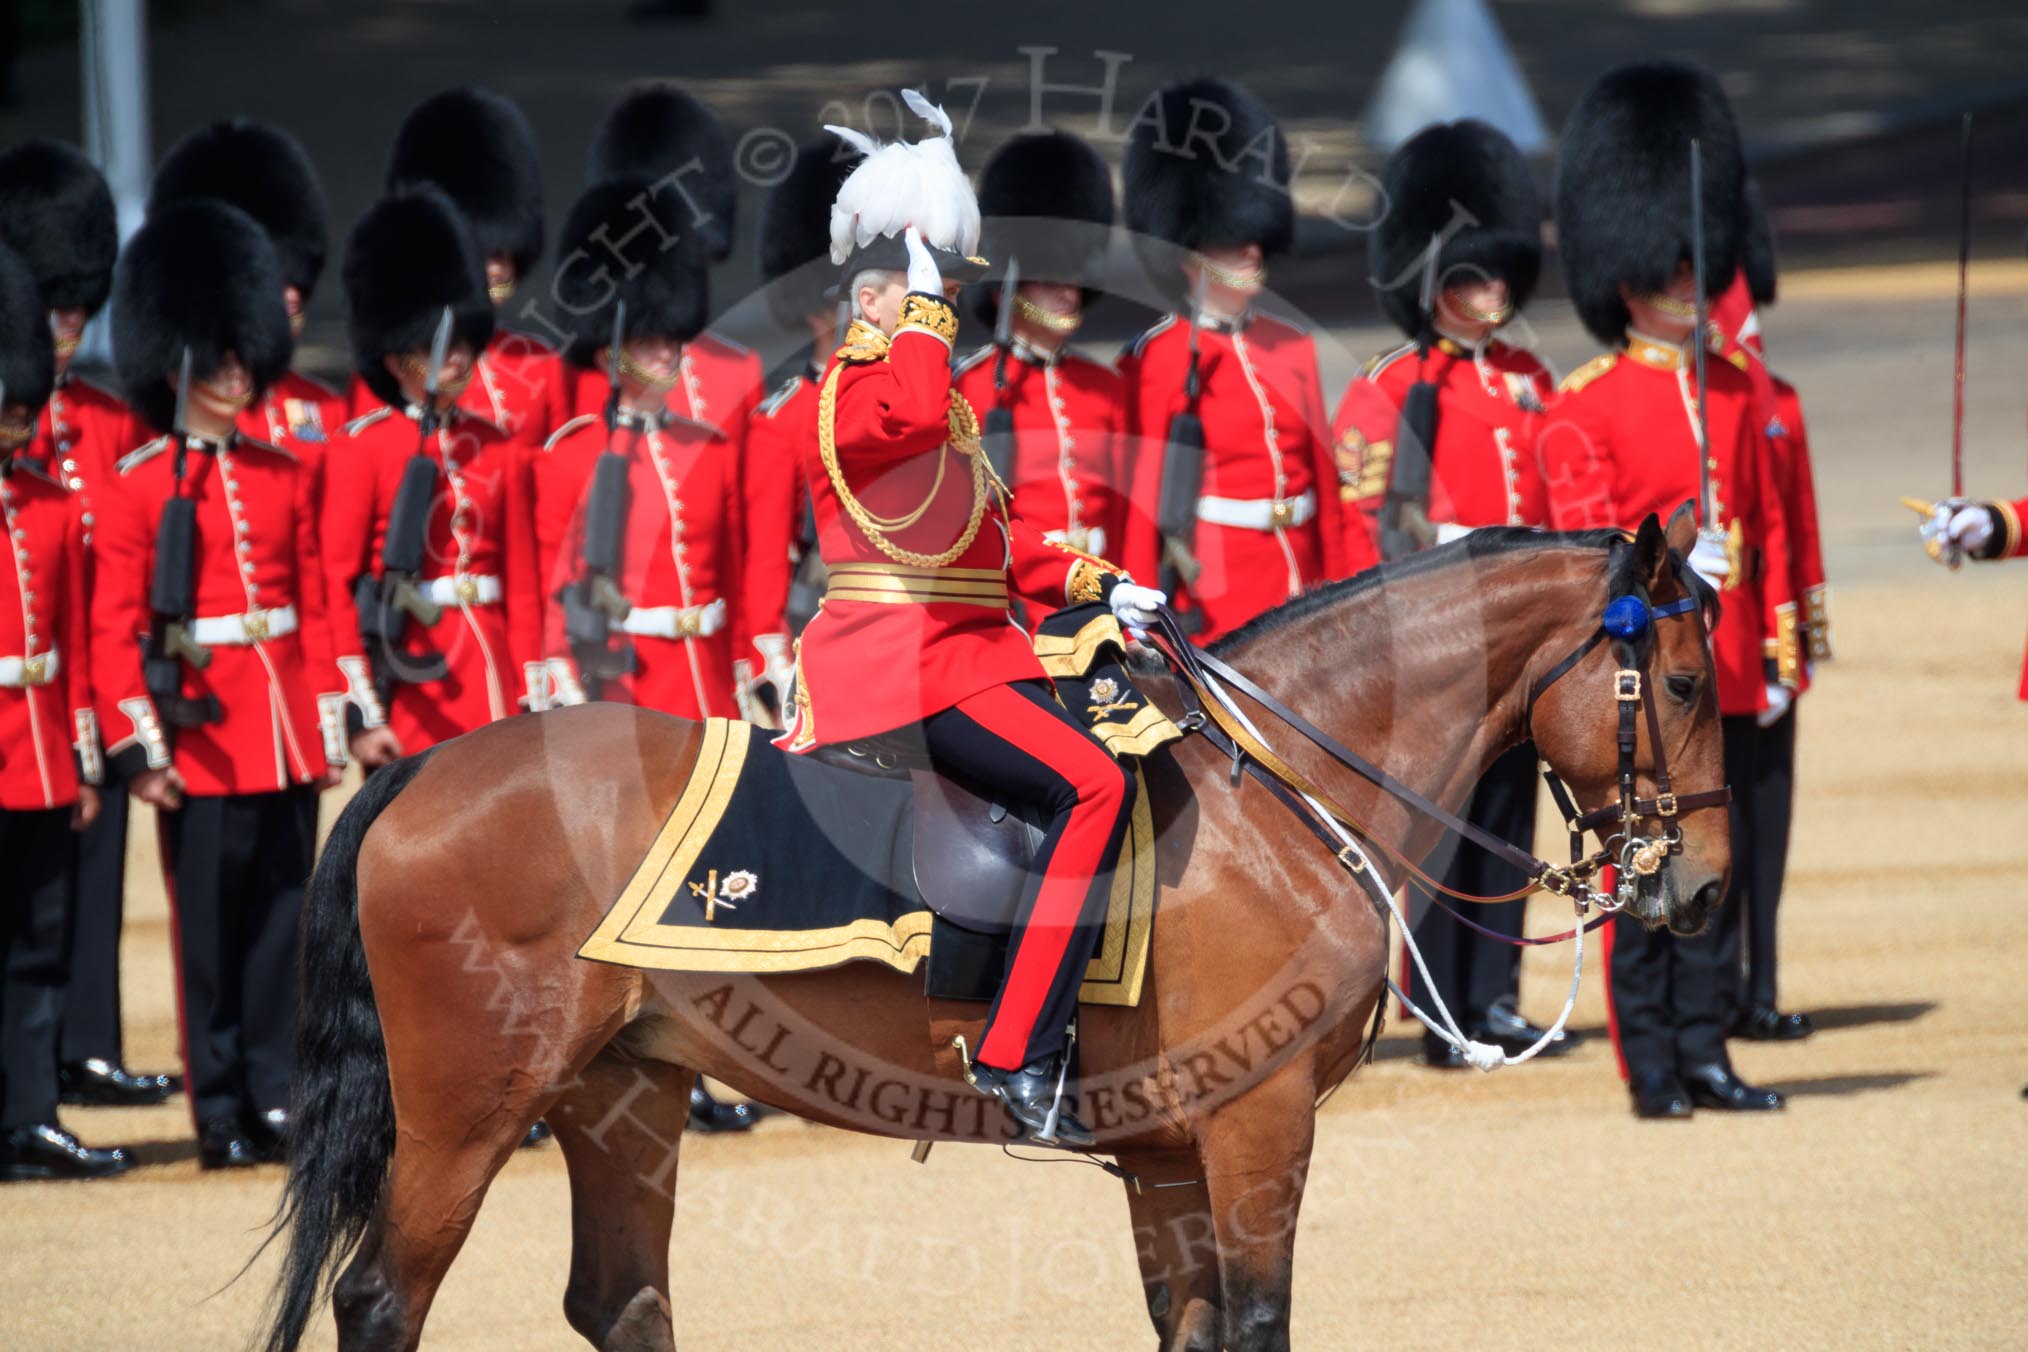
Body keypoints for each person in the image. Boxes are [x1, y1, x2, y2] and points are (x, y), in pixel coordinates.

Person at [778, 91, 1164, 1146]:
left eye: (936, 296)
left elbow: (997, 538)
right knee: (1091, 782)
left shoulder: (932, 405)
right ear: (870, 303)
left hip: (968, 653)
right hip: (900, 667)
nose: (933, 307)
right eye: (915, 294)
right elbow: (904, 408)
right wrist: (925, 314)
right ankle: (1017, 1051)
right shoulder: (849, 397)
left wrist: (1099, 582)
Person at [1538, 59, 1799, 1118]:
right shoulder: (1586, 403)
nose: (1690, 279)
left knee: (1714, 867)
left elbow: (1772, 525)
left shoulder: (1737, 389)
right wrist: (1677, 571)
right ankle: (1650, 1059)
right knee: (1642, 867)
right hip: (1645, 671)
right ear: (1625, 271)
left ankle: (1709, 1045)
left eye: (1698, 263)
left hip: (1730, 663)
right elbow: (1588, 554)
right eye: (1670, 264)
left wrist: (1777, 647)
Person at [96, 201, 345, 1168]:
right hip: (199, 736)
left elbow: (317, 603)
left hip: (277, 725)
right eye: (222, 356)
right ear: (178, 363)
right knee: (207, 939)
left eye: (248, 354)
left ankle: (276, 1097)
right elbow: (115, 630)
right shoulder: (138, 484)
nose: (241, 374)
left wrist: (325, 720)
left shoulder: (283, 473)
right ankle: (219, 1106)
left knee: (284, 924)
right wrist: (141, 749)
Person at [1333, 118, 1569, 1065]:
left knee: (1510, 823)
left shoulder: (1527, 379)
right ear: (1432, 284)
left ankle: (1497, 999)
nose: (1494, 292)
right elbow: (1365, 531)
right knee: (1438, 830)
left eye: (1501, 274)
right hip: (1436, 640)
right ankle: (1438, 1004)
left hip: (1523, 639)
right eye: (1473, 276)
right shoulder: (1389, 387)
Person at [0, 138, 174, 1108]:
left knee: (96, 878)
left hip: (103, 677)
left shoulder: (111, 423)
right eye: (53, 310)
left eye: (78, 309)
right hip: (33, 691)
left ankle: (88, 1039)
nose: (67, 328)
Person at [1117, 77, 1347, 641]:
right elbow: (1144, 509)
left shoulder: (1293, 345)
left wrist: (1349, 592)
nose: (1250, 248)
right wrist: (1141, 626)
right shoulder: (1159, 359)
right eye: (1229, 238)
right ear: (1188, 252)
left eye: (1253, 234)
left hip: (1308, 585)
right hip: (1221, 596)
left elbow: (1330, 496)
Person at [322, 186, 543, 767]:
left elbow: (522, 582)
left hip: (490, 675)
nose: (453, 357)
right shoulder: (362, 448)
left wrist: (532, 689)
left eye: (461, 342)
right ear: (396, 356)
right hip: (409, 681)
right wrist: (360, 712)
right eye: (432, 344)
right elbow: (335, 588)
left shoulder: (497, 447)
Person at [0, 240, 130, 1182]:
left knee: (41, 952)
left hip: (42, 754)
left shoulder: (48, 506)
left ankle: (32, 1112)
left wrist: (83, 761)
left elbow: (78, 644)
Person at [1710, 185, 1827, 1042]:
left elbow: (1798, 534)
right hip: (1710, 642)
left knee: (1770, 823)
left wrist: (1797, 653)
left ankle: (1763, 983)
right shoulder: (1712, 398)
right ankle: (1710, 992)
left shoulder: (1776, 401)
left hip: (1765, 637)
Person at [953, 130, 1129, 580]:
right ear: (1010, 287)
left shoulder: (1104, 388)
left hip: (1104, 587)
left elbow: (1129, 511)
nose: (1070, 293)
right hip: (1020, 594)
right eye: (1051, 281)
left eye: (1074, 278)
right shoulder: (966, 387)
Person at [368, 88, 563, 445]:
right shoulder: (398, 365)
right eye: (484, 255)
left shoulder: (542, 363)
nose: (498, 270)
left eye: (506, 256)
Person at [149, 118, 349, 461]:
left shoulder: (326, 407)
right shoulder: (182, 410)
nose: (292, 295)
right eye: (275, 279)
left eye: (294, 280)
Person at [743, 139, 857, 706]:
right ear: (818, 308)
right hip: (820, 637)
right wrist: (775, 663)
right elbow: (767, 558)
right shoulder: (782, 419)